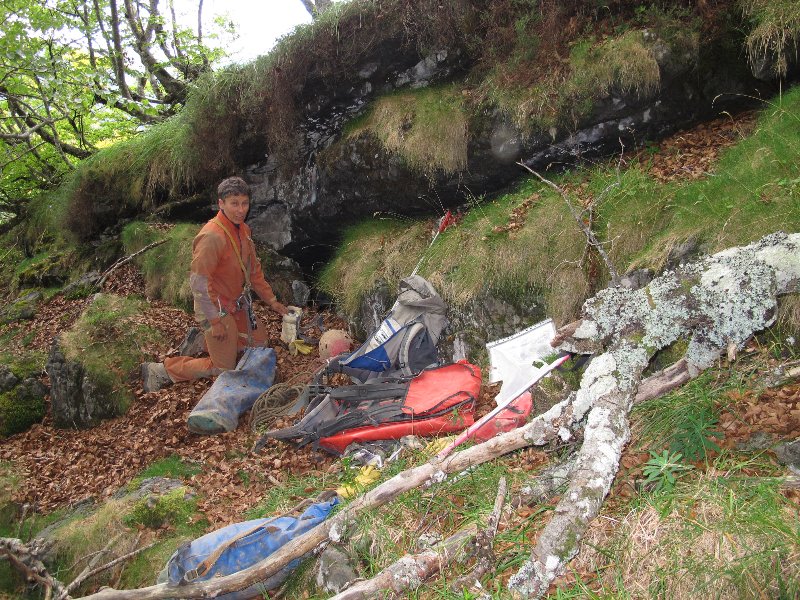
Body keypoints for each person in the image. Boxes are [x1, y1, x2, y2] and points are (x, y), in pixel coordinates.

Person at [142, 176, 288, 392]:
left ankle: (205, 342)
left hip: (235, 304)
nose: (241, 210)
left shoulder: (244, 231)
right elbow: (199, 284)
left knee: (259, 344)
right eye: (234, 204)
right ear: (221, 203)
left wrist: (273, 302)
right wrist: (214, 322)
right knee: (223, 368)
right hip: (214, 308)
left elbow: (254, 272)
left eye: (245, 203)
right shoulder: (212, 236)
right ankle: (163, 370)